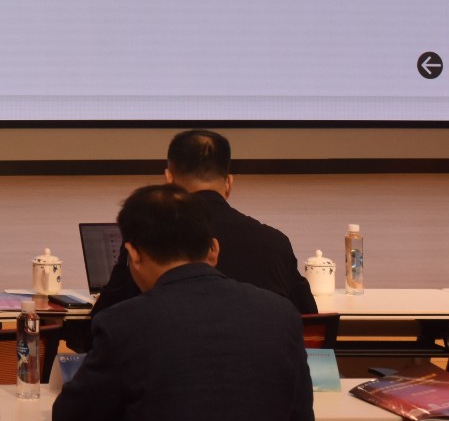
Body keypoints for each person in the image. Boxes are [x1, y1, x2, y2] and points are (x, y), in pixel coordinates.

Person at [54, 184, 313, 421]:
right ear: (214, 250)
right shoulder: (281, 315)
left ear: (133, 255)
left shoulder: (122, 324)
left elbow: (71, 415)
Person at [92, 129, 316, 316]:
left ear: (169, 179)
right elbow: (310, 323)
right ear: (229, 183)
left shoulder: (148, 237)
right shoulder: (275, 242)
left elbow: (103, 321)